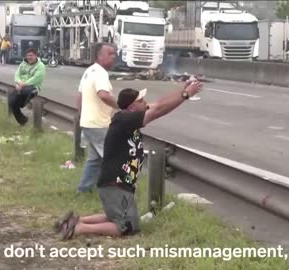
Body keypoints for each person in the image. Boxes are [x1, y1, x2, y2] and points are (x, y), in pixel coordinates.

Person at [56, 80, 204, 240]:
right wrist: (185, 94)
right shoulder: (125, 120)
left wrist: (182, 89)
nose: (145, 103)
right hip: (115, 183)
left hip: (118, 183)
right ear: (132, 107)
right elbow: (159, 110)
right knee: (127, 227)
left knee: (117, 218)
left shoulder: (127, 117)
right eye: (140, 101)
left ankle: (75, 221)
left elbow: (159, 104)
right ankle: (78, 228)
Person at [76, 42, 119, 193]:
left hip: (88, 122)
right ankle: (117, 192)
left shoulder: (88, 71)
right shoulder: (100, 73)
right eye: (110, 54)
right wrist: (121, 106)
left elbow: (79, 96)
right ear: (99, 56)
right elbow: (103, 95)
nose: (114, 57)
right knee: (112, 158)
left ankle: (83, 190)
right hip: (99, 124)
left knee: (94, 160)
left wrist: (82, 116)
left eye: (114, 54)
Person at [9, 48, 46, 126]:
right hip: (21, 85)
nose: (29, 57)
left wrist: (24, 84)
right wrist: (19, 82)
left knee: (24, 92)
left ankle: (21, 103)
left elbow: (36, 78)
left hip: (33, 87)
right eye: (28, 55)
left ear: (36, 55)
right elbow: (17, 74)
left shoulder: (41, 66)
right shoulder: (23, 64)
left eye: (31, 55)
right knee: (11, 101)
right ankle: (22, 120)